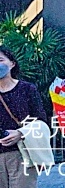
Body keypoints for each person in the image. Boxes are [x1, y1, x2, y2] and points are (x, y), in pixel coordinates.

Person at [0, 47, 48, 188]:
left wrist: (21, 133)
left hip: (22, 153)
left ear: (12, 63)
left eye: (1, 60)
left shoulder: (27, 89)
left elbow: (41, 121)